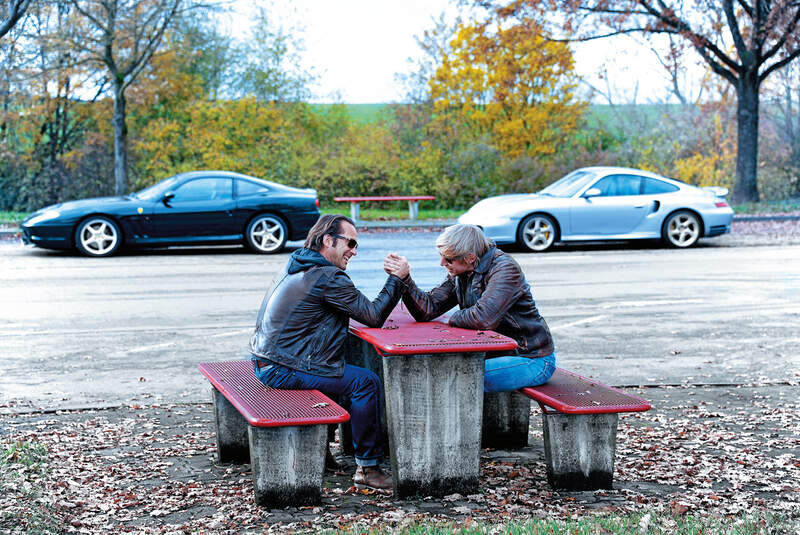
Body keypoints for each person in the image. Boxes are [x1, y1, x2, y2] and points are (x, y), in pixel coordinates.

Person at [250, 214, 408, 491]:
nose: (354, 250)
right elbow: (373, 315)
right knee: (364, 382)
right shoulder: (327, 276)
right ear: (327, 240)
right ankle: (369, 468)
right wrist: (397, 279)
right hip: (282, 367)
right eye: (350, 242)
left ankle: (320, 453)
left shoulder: (298, 264)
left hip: (268, 361)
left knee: (337, 370)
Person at [385, 224, 555, 392]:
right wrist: (404, 278)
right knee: (435, 367)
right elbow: (428, 309)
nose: (442, 263)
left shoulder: (504, 268)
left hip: (531, 358)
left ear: (470, 257)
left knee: (458, 377)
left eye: (448, 259)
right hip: (497, 354)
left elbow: (483, 318)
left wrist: (453, 317)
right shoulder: (463, 271)